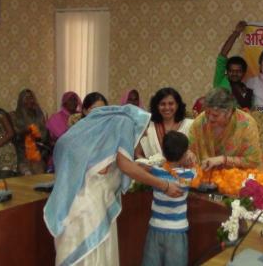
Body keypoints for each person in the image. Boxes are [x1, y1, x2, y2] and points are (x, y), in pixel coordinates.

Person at [44, 105, 184, 266]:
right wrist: (164, 185)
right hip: (90, 208)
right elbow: (124, 165)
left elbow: (114, 165)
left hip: (87, 203)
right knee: (92, 257)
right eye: (145, 129)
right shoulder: (125, 123)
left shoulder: (114, 126)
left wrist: (142, 168)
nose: (145, 133)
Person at [141, 131, 195, 266]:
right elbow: (197, 169)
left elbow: (140, 166)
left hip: (155, 227)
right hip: (177, 229)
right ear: (184, 154)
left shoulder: (156, 172)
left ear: (163, 153)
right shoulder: (189, 174)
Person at [190, 87, 263, 171]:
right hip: (208, 177)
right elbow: (191, 151)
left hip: (243, 178)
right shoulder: (200, 122)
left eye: (215, 115)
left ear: (229, 112)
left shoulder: (246, 124)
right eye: (207, 113)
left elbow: (253, 161)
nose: (209, 118)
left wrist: (223, 160)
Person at [137, 87, 193, 159]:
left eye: (171, 104)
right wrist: (149, 166)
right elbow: (137, 153)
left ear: (177, 105)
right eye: (162, 104)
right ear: (157, 106)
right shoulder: (149, 127)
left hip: (183, 169)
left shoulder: (190, 125)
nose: (167, 108)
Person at [213, 21, 253, 109]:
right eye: (231, 71)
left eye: (238, 71)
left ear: (243, 73)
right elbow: (223, 54)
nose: (234, 73)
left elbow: (248, 114)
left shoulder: (246, 91)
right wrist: (236, 33)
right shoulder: (220, 81)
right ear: (227, 71)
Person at [10, 89, 49, 175]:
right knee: (27, 176)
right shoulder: (14, 116)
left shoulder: (39, 115)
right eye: (26, 98)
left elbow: (44, 135)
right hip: (21, 153)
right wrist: (24, 132)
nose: (30, 101)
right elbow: (14, 136)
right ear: (21, 101)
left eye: (32, 98)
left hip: (39, 153)